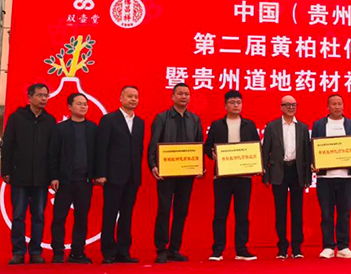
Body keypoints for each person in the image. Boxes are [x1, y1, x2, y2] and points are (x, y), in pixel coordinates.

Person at [147, 83, 204, 263]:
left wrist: (200, 166)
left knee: (181, 211)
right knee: (164, 210)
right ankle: (161, 249)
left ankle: (174, 248)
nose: (183, 96)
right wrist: (153, 165)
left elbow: (199, 145)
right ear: (173, 97)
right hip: (166, 173)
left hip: (187, 174)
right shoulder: (162, 118)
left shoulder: (194, 119)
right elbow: (153, 143)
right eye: (180, 93)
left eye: (186, 94)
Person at [1, 83, 56, 265]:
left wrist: (53, 175)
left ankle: (35, 252)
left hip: (41, 177)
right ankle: (18, 251)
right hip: (19, 175)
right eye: (40, 95)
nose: (43, 99)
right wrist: (6, 171)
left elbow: (53, 151)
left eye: (46, 96)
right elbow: (8, 145)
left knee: (39, 215)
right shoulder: (17, 118)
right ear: (30, 97)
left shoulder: (50, 120)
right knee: (18, 215)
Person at [204, 90, 261, 261]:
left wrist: (256, 164)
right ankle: (218, 250)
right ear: (225, 105)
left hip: (243, 177)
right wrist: (212, 155)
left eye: (238, 102)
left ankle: (241, 249)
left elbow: (257, 147)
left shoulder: (249, 125)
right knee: (220, 214)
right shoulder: (217, 125)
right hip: (222, 177)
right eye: (232, 102)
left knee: (242, 214)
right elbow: (207, 147)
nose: (236, 105)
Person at [95, 86, 144, 264]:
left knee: (127, 215)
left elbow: (138, 150)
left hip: (132, 177)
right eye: (129, 96)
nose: (133, 99)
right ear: (121, 98)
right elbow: (101, 148)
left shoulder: (140, 122)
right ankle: (108, 252)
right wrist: (101, 173)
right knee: (110, 215)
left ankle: (124, 251)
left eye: (136, 97)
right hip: (113, 176)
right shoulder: (109, 120)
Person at [48, 93, 97, 264]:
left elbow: (98, 154)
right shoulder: (60, 128)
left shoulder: (93, 128)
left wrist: (97, 175)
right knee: (59, 218)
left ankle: (77, 252)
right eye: (79, 104)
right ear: (69, 107)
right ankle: (58, 252)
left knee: (82, 218)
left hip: (85, 181)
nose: (83, 107)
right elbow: (53, 154)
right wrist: (54, 176)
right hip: (64, 181)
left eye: (85, 104)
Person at [261, 95, 311, 259]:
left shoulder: (303, 127)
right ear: (281, 107)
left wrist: (308, 177)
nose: (291, 107)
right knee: (280, 211)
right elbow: (265, 152)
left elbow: (307, 153)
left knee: (297, 211)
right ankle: (282, 247)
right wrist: (265, 175)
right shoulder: (272, 126)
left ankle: (297, 248)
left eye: (293, 105)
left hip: (297, 171)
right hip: (278, 172)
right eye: (287, 105)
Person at [311, 94, 351, 259]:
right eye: (334, 104)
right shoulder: (319, 125)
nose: (337, 107)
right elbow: (313, 147)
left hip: (346, 177)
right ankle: (328, 246)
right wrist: (314, 163)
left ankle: (344, 246)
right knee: (326, 213)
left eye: (340, 104)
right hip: (325, 178)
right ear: (328, 106)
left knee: (344, 213)